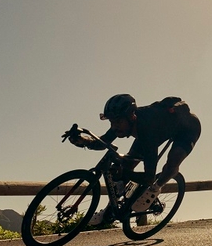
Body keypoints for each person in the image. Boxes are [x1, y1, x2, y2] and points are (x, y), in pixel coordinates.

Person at [69, 93, 201, 218]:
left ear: (132, 116)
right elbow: (103, 143)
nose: (114, 126)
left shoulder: (147, 133)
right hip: (159, 129)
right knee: (127, 162)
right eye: (111, 122)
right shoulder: (122, 121)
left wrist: (125, 174)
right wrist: (83, 140)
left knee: (172, 161)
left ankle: (155, 190)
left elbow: (148, 177)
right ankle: (111, 209)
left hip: (187, 129)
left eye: (118, 122)